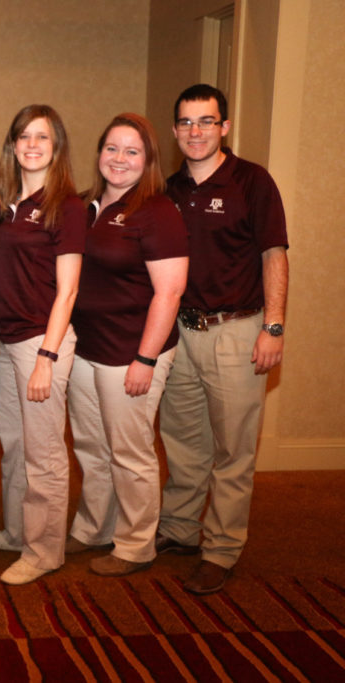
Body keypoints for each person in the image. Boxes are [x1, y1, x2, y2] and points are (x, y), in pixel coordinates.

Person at [157, 84, 289, 595]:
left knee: (233, 451)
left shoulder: (252, 182)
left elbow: (274, 255)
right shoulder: (168, 189)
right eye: (187, 123)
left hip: (236, 331)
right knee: (184, 442)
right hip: (181, 333)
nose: (196, 132)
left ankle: (222, 549)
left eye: (206, 121)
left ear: (224, 127)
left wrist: (272, 327)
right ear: (175, 131)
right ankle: (179, 530)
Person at [66, 113, 188, 577]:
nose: (119, 159)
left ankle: (136, 544)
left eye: (132, 151)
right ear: (99, 153)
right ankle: (95, 526)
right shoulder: (87, 204)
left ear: (149, 160)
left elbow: (170, 291)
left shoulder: (157, 211)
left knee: (129, 450)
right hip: (86, 348)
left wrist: (145, 358)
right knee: (91, 446)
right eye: (112, 149)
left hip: (131, 351)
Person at [0, 105, 86, 585]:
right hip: (7, 340)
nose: (31, 145)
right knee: (13, 445)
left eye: (42, 138)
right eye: (23, 136)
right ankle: (15, 531)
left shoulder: (65, 205)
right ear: (11, 145)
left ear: (57, 147)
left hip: (41, 343)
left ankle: (45, 550)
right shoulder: (7, 201)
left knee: (43, 451)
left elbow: (67, 290)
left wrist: (47, 358)